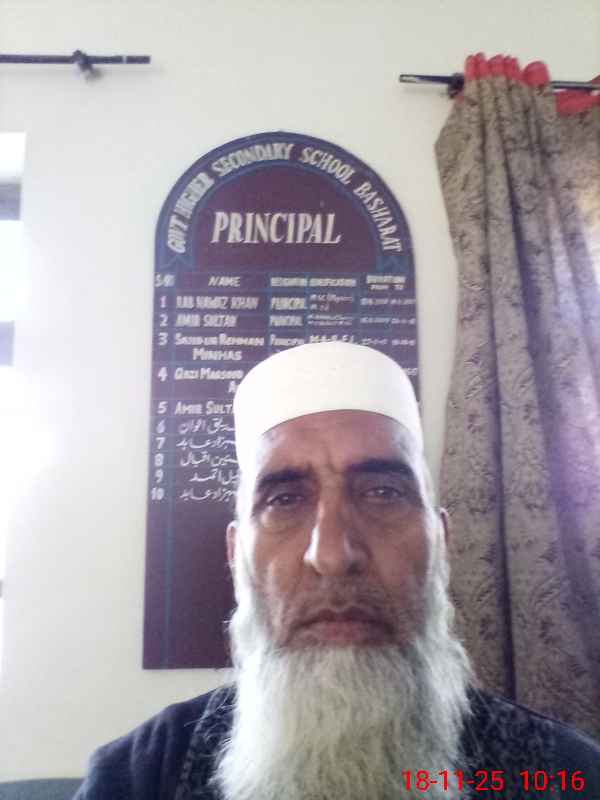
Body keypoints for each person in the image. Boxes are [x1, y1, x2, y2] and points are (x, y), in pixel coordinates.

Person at [75, 342, 600, 800]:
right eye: (284, 499)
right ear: (237, 556)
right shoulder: (141, 777)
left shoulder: (562, 774)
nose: (331, 555)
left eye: (383, 492)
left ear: (441, 543)